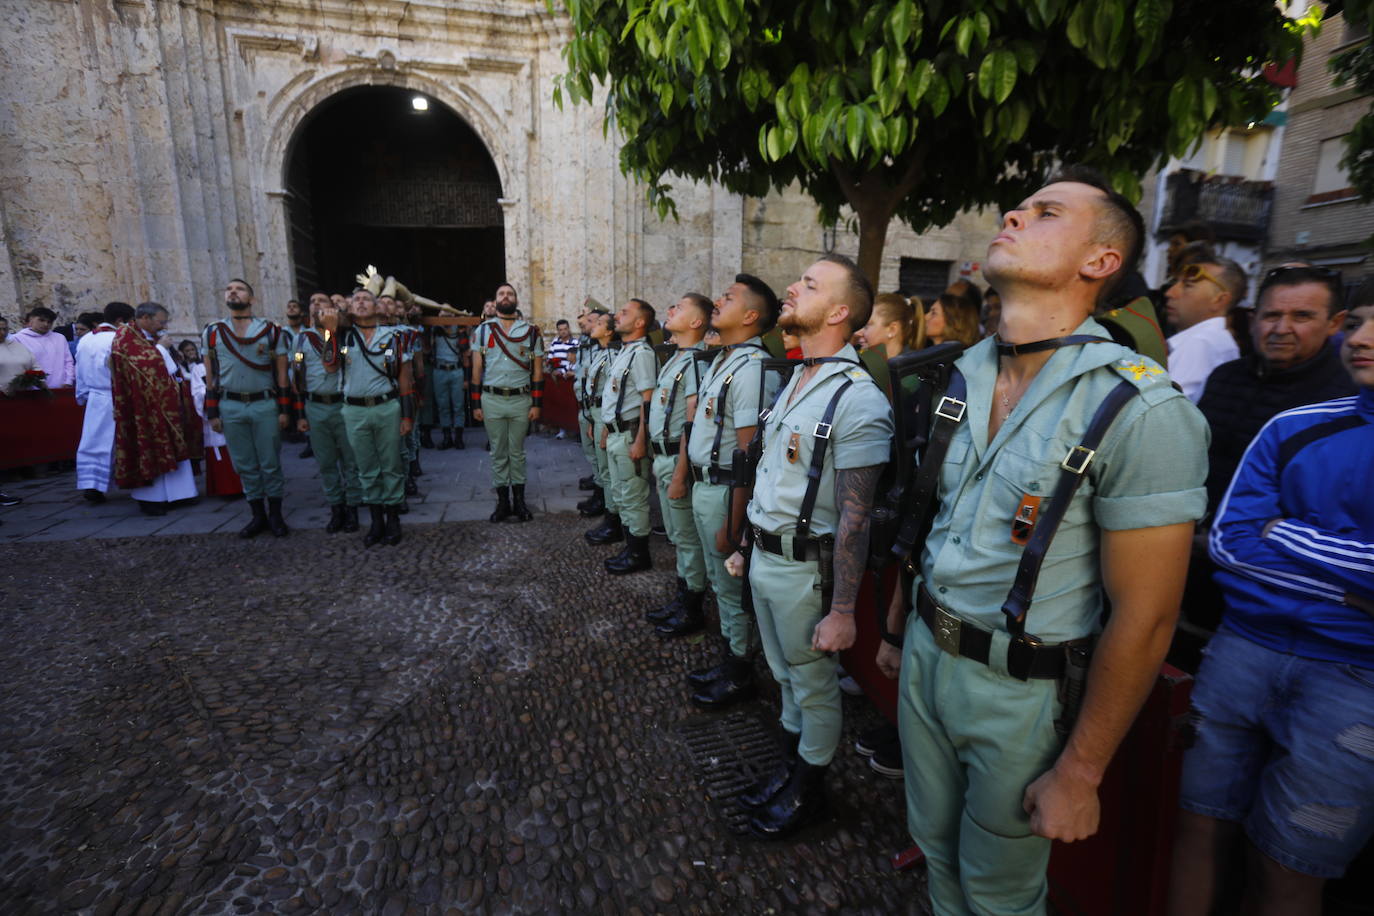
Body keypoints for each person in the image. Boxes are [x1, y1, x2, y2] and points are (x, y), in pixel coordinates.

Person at [876, 166, 1209, 913]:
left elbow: (1147, 615)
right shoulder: (956, 375)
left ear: (1101, 262)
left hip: (1020, 695)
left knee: (999, 892)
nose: (1014, 217)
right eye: (1017, 208)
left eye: (1046, 212)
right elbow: (926, 517)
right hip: (929, 657)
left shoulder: (1141, 407)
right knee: (935, 852)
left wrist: (1081, 771)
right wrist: (899, 628)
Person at [1168, 288, 1374, 916]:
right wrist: (1352, 585)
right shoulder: (1293, 427)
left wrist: (1282, 532)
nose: (1362, 341)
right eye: (1363, 325)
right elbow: (1229, 541)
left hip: (1356, 679)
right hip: (1242, 649)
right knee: (1198, 824)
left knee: (1291, 865)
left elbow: (1254, 536)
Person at [730, 255, 893, 837]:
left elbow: (855, 518)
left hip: (807, 572)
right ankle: (793, 768)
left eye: (809, 283)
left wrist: (845, 610)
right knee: (784, 674)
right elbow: (773, 477)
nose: (793, 288)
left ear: (841, 311)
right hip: (768, 560)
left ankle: (810, 790)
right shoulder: (797, 376)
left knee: (814, 683)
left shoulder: (858, 399)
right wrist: (747, 545)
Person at [673, 274, 781, 708]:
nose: (718, 301)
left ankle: (740, 672)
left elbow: (747, 454)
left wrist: (737, 525)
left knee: (732, 589)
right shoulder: (725, 360)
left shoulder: (752, 367)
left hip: (724, 491)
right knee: (722, 586)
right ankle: (730, 658)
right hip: (706, 484)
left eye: (730, 298)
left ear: (751, 316)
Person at [1197, 265, 1354, 513]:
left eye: (1301, 316)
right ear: (1252, 321)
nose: (1281, 329)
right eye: (1271, 315)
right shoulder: (1223, 377)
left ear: (1334, 323)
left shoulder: (1349, 399)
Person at [201, 278, 291, 538]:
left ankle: (275, 514)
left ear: (251, 299)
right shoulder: (214, 332)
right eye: (228, 289)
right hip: (231, 405)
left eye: (239, 289)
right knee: (244, 464)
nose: (232, 292)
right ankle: (257, 515)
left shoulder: (272, 331)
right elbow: (210, 376)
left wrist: (285, 410)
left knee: (270, 462)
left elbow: (282, 375)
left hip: (264, 403)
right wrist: (213, 412)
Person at [325, 287, 415, 546]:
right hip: (354, 410)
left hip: (386, 407)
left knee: (391, 465)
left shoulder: (395, 337)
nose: (362, 303)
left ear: (378, 308)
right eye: (357, 300)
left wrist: (407, 418)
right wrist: (330, 331)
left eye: (367, 299)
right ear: (350, 308)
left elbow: (405, 380)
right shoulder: (342, 337)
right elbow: (330, 366)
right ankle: (376, 521)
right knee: (366, 467)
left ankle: (393, 519)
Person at [647, 294, 712, 635]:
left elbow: (692, 422)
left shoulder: (698, 361)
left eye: (680, 307)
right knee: (677, 536)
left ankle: (692, 608)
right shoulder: (676, 358)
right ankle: (682, 595)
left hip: (677, 458)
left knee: (687, 539)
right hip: (664, 456)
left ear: (696, 323)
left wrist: (681, 472)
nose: (670, 310)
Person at [110, 304, 200, 516]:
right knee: (148, 444)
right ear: (144, 318)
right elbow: (141, 365)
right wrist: (160, 348)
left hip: (163, 402)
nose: (163, 326)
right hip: (142, 407)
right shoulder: (125, 336)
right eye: (160, 322)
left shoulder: (147, 335)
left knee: (172, 442)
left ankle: (179, 494)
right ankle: (151, 499)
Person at [593, 299, 659, 574]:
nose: (617, 316)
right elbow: (615, 396)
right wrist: (608, 428)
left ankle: (638, 554)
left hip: (632, 434)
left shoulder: (642, 353)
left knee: (633, 495)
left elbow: (647, 400)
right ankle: (630, 547)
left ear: (640, 322)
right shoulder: (625, 352)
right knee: (622, 492)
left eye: (624, 312)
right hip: (618, 432)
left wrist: (642, 440)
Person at [471, 283, 544, 522]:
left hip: (520, 400)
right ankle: (503, 503)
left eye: (510, 293)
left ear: (516, 300)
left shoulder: (531, 332)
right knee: (497, 453)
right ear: (495, 301)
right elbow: (476, 369)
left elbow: (537, 372)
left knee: (517, 453)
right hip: (491, 399)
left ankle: (520, 502)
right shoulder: (482, 331)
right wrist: (475, 404)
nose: (505, 297)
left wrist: (536, 404)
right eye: (501, 293)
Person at [292, 294, 362, 533]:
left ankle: (353, 507)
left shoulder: (346, 336)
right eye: (312, 302)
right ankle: (336, 508)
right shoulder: (301, 339)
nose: (316, 305)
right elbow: (297, 377)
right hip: (315, 406)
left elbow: (334, 363)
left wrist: (332, 331)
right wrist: (300, 414)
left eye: (322, 301)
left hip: (342, 405)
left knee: (350, 461)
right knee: (326, 462)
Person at [74, 302, 134, 502]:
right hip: (117, 396)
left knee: (94, 441)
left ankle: (92, 485)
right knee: (122, 440)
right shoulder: (119, 338)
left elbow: (79, 370)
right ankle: (131, 478)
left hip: (94, 396)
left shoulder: (85, 339)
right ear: (120, 321)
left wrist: (82, 395)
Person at [1164, 256, 1245, 402]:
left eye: (1188, 286)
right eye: (1176, 283)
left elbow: (1166, 411)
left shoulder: (1201, 344)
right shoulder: (1213, 341)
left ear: (1219, 300)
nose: (1170, 293)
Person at [577, 308, 615, 520]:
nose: (590, 324)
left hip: (602, 412)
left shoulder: (611, 354)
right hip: (590, 409)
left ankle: (609, 511)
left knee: (607, 469)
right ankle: (601, 499)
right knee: (599, 463)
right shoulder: (597, 350)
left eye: (597, 322)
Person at [430, 312, 470, 451]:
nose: (445, 317)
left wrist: (466, 378)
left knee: (459, 406)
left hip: (456, 370)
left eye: (448, 314)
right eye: (442, 314)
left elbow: (465, 352)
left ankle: (458, 438)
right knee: (443, 406)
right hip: (439, 370)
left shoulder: (458, 329)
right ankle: (447, 437)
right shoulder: (434, 329)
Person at [13, 307, 75, 387]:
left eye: (49, 322)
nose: (46, 324)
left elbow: (68, 361)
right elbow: (18, 366)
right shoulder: (18, 339)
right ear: (31, 319)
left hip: (61, 387)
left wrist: (69, 381)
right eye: (41, 320)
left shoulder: (60, 338)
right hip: (33, 389)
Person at [0, 314, 39, 393]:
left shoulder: (19, 346)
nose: (2, 332)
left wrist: (40, 379)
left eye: (5, 329)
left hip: (23, 394)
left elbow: (35, 366)